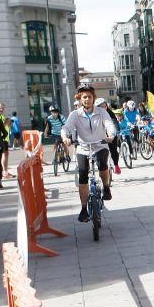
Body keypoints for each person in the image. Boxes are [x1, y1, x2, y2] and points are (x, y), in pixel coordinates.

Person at [61, 84, 116, 222]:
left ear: (93, 98)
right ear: (80, 99)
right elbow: (66, 128)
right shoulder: (75, 114)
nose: (87, 99)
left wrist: (110, 135)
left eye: (90, 97)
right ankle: (83, 209)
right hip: (83, 148)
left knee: (103, 164)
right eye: (84, 97)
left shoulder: (101, 112)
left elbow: (109, 124)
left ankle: (106, 187)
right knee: (83, 176)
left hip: (100, 145)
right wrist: (65, 137)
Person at [0, 102, 13, 178]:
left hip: (4, 138)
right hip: (1, 139)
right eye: (0, 108)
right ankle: (4, 172)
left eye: (3, 108)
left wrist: (8, 123)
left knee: (4, 155)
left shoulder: (1, 116)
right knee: (4, 155)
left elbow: (5, 126)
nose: (1, 109)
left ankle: (4, 172)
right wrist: (7, 122)